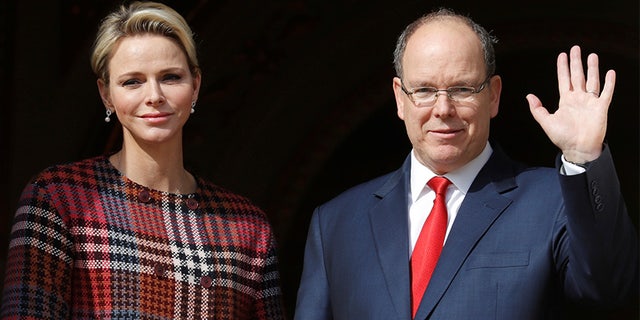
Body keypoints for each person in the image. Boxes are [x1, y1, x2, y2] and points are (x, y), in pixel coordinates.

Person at [294, 7, 638, 320]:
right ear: (400, 98)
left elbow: (608, 289)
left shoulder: (553, 200)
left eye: (461, 89)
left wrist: (583, 156)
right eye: (425, 90)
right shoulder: (336, 223)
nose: (443, 109)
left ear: (493, 95)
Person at [1, 2, 285, 319]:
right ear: (106, 94)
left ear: (196, 86)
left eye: (171, 77)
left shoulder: (247, 225)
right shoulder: (58, 198)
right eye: (132, 81)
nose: (153, 95)